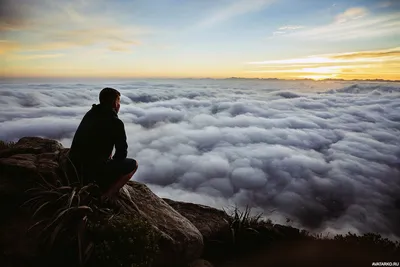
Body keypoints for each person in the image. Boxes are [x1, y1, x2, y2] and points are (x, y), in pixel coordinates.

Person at [68, 87, 138, 198]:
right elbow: (121, 154)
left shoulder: (90, 114)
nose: (119, 105)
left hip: (73, 167)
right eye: (119, 102)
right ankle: (105, 196)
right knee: (133, 165)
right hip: (92, 172)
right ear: (115, 103)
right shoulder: (116, 123)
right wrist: (109, 163)